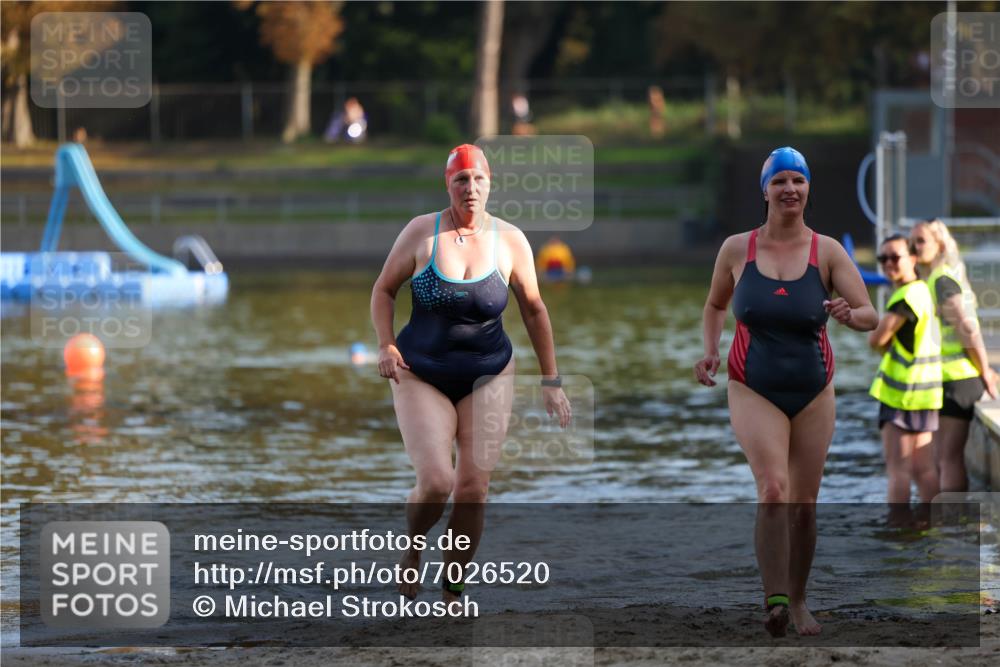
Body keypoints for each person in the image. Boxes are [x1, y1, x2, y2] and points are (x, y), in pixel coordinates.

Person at [371, 144, 571, 603]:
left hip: (490, 373)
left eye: (479, 180)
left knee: (474, 488)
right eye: (462, 180)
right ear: (449, 185)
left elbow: (535, 310)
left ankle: (454, 587)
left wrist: (551, 381)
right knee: (439, 482)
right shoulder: (423, 234)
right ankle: (414, 547)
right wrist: (386, 343)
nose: (471, 188)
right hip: (420, 371)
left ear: (490, 184)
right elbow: (383, 290)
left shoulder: (511, 240)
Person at [694, 147, 877, 637]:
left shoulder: (829, 252)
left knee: (804, 505)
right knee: (773, 488)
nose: (790, 189)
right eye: (780, 181)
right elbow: (715, 305)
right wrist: (710, 350)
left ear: (808, 189)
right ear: (765, 190)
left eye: (798, 180)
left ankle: (798, 601)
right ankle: (774, 600)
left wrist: (847, 314)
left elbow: (869, 315)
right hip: (753, 385)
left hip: (815, 389)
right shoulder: (737, 249)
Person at [911, 219, 998, 492]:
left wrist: (985, 371)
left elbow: (967, 328)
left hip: (957, 379)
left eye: (921, 241)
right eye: (912, 241)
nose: (915, 246)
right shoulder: (932, 279)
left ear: (939, 245)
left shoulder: (942, 280)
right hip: (944, 378)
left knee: (947, 459)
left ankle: (952, 526)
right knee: (941, 458)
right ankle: (946, 524)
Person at [868, 234, 943, 505]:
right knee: (924, 469)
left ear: (912, 258)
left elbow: (876, 338)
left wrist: (880, 346)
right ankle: (933, 528)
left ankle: (898, 536)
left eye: (895, 257)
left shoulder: (905, 296)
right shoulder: (923, 290)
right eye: (882, 258)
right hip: (926, 394)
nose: (888, 263)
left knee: (898, 472)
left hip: (902, 395)